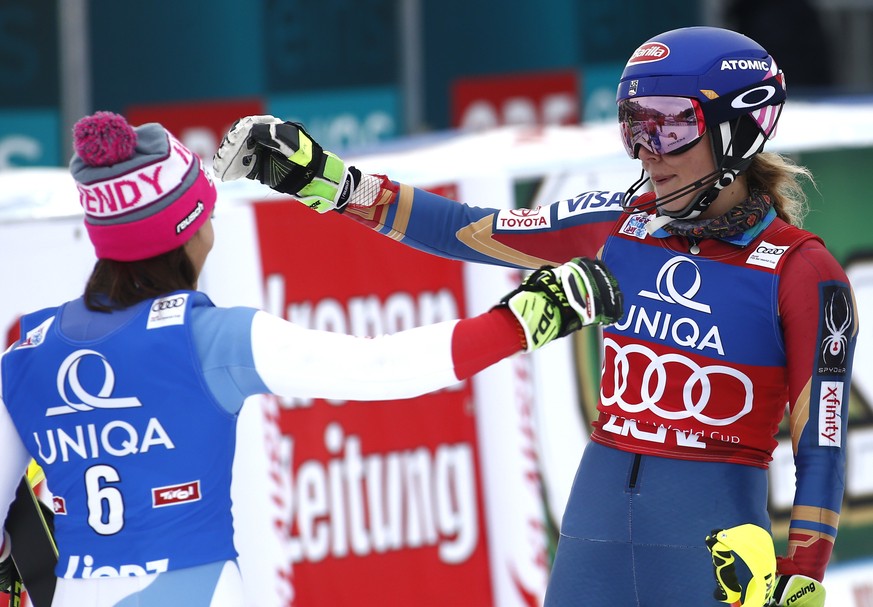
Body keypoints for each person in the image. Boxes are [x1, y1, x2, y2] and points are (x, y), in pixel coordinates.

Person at [213, 26, 859, 607]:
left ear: (738, 129)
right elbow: (466, 231)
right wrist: (328, 182)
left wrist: (801, 575)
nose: (646, 151)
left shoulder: (800, 272)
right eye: (632, 124)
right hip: (593, 531)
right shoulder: (620, 223)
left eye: (667, 125)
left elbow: (821, 444)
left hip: (712, 550)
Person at [0, 111, 623, 607]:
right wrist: (524, 320)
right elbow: (383, 369)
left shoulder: (24, 346)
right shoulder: (210, 338)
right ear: (192, 230)